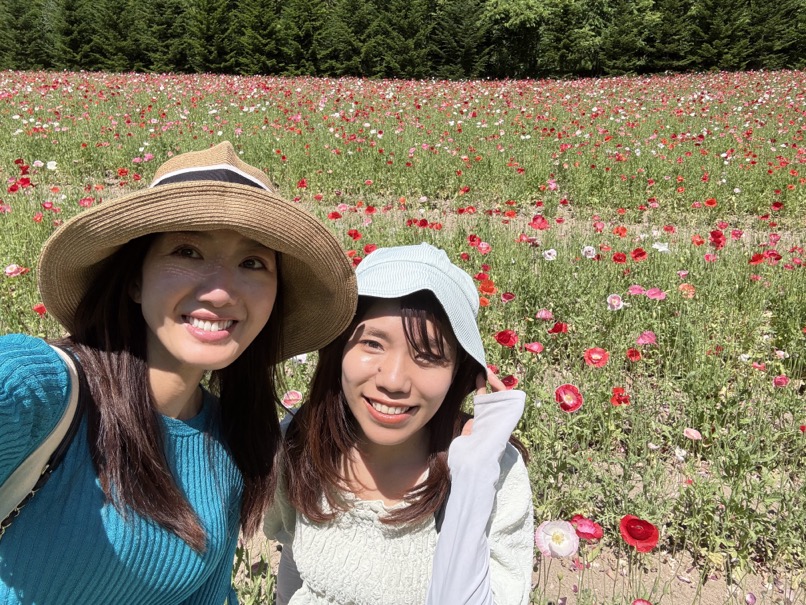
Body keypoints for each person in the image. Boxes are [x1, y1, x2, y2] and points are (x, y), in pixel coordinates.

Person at [0, 142, 357, 604]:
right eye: (187, 252)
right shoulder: (38, 388)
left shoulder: (235, 442)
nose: (221, 292)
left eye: (252, 263)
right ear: (135, 279)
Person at [265, 243, 534, 605]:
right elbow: (294, 564)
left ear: (458, 372)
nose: (393, 381)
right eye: (373, 344)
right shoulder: (301, 441)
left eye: (429, 355)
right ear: (339, 348)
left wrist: (472, 483)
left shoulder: (493, 472)